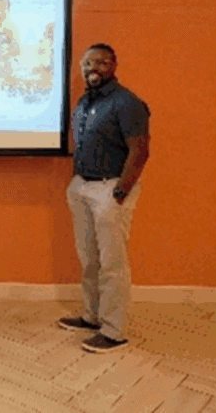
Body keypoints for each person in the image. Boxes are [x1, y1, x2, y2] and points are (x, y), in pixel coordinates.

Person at [58, 43, 151, 353]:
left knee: (112, 263)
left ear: (113, 65)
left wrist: (120, 191)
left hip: (110, 190)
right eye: (87, 63)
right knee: (89, 259)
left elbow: (140, 150)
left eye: (100, 62)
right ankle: (92, 316)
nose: (92, 68)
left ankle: (114, 331)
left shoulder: (127, 103)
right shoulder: (85, 102)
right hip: (82, 188)